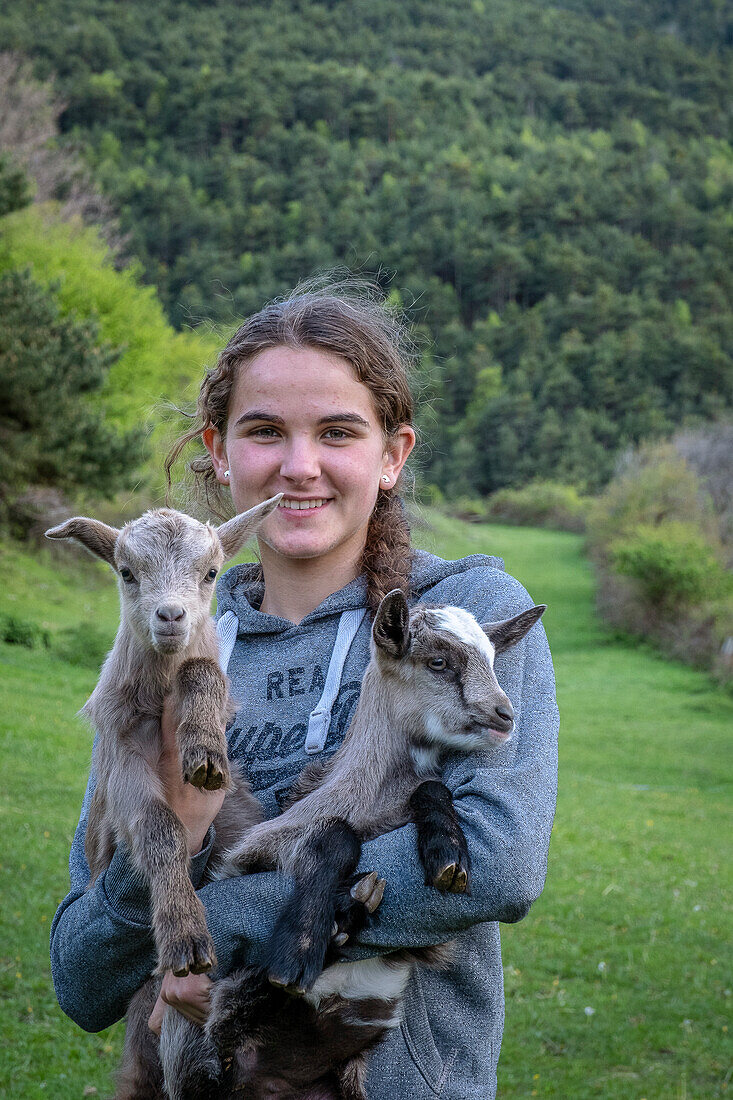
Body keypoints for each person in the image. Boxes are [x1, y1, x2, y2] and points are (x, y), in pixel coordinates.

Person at [50, 281, 558, 1099]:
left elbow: (497, 863)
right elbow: (78, 978)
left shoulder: (460, 623)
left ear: (392, 454)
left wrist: (208, 923)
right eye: (263, 431)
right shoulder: (168, 638)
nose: (298, 466)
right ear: (218, 450)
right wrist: (164, 852)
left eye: (337, 432)